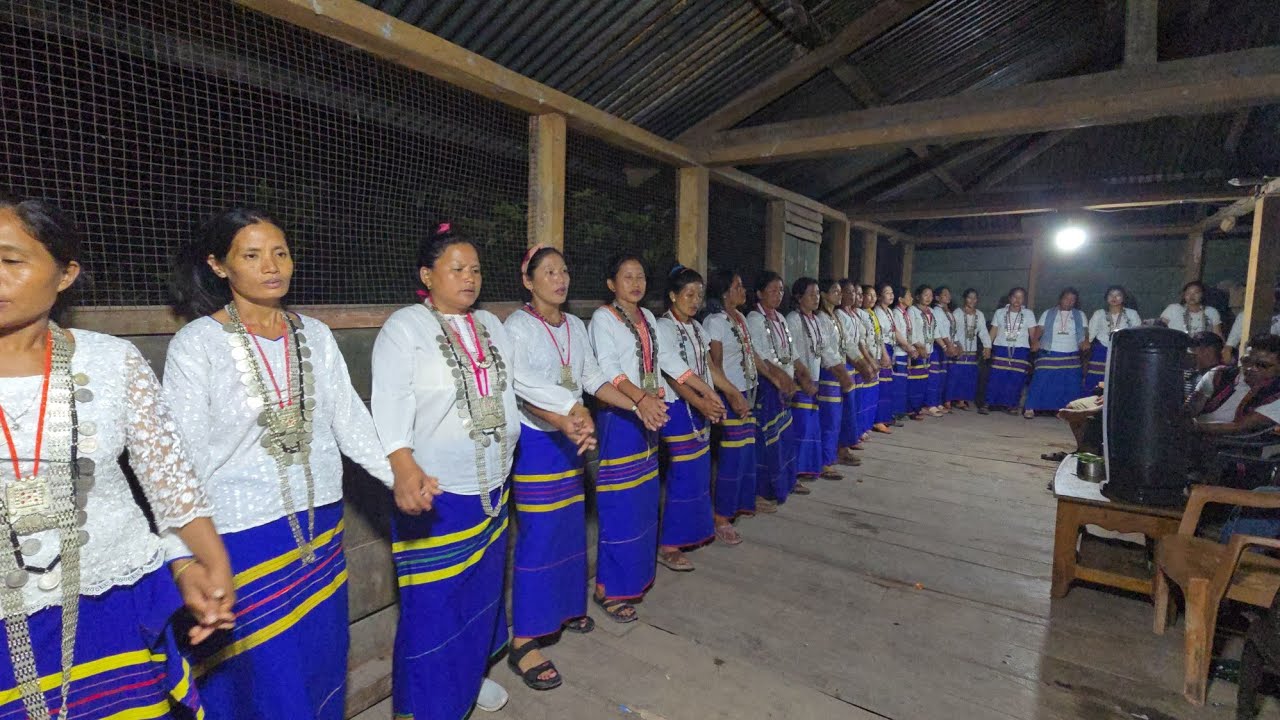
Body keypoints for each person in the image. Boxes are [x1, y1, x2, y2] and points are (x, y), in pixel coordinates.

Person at [0, 194, 233, 720]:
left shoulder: (111, 361)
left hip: (115, 597)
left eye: (11, 261)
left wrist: (207, 565)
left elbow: (170, 482)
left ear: (65, 274)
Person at [167, 207, 395, 719]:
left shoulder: (313, 334)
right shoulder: (197, 345)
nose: (272, 266)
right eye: (252, 255)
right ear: (219, 266)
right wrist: (182, 554)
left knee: (321, 662)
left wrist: (398, 473)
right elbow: (178, 461)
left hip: (320, 528)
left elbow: (348, 418)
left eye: (280, 253)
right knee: (267, 680)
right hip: (242, 536)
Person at [370, 223, 538, 718]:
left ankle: (469, 679)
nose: (470, 278)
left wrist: (567, 409)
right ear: (427, 274)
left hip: (493, 488)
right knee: (432, 609)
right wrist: (402, 466)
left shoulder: (491, 325)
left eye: (476, 269)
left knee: (481, 596)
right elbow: (391, 404)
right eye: (456, 268)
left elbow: (521, 382)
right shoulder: (405, 328)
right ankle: (423, 705)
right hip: (438, 494)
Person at [504, 245, 643, 690]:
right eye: (548, 272)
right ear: (528, 281)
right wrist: (565, 419)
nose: (560, 279)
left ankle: (563, 610)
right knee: (539, 537)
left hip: (572, 436)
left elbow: (591, 378)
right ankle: (524, 640)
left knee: (567, 529)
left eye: (564, 270)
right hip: (539, 442)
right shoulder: (517, 327)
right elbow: (523, 391)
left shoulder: (576, 326)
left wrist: (638, 404)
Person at [586, 253, 670, 620]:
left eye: (640, 276)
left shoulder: (648, 317)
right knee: (620, 503)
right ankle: (609, 587)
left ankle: (638, 576)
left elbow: (656, 364)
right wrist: (640, 400)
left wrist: (659, 397)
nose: (636, 283)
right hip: (620, 415)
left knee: (644, 498)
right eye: (627, 277)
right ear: (611, 284)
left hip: (649, 412)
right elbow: (609, 370)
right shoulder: (603, 319)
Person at [655, 266, 727, 571]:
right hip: (678, 408)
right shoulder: (663, 327)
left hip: (701, 406)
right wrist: (702, 401)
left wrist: (729, 392)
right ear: (672, 295)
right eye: (688, 294)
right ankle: (669, 544)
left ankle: (695, 533)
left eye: (699, 294)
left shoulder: (698, 328)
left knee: (699, 473)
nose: (695, 300)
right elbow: (672, 376)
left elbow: (709, 368)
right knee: (683, 474)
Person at [703, 269, 763, 539]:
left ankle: (741, 503)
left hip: (748, 391)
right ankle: (721, 515)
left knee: (746, 453)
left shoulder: (739, 317)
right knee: (731, 456)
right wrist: (729, 395)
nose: (743, 290)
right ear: (726, 291)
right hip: (731, 395)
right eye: (738, 286)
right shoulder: (715, 322)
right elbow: (714, 365)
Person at [747, 272, 802, 509]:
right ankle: (762, 491)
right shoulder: (755, 319)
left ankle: (786, 481)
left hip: (784, 384)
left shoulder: (780, 317)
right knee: (766, 441)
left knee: (784, 437)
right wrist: (779, 380)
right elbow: (762, 356)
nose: (778, 295)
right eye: (772, 290)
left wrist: (798, 377)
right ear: (759, 294)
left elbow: (790, 352)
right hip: (768, 386)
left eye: (781, 290)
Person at [788, 277, 841, 482]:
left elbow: (824, 349)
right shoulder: (793, 320)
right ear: (799, 297)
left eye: (818, 293)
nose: (816, 298)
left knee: (812, 426)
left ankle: (810, 467)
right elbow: (793, 355)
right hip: (800, 381)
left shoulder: (816, 319)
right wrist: (803, 378)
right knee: (801, 427)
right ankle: (796, 473)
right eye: (812, 294)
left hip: (814, 379)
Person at [1189, 334, 1280, 435]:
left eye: (1263, 365)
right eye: (1247, 361)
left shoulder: (1276, 396)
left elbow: (1239, 427)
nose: (1250, 368)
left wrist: (1191, 426)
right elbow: (1189, 410)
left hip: (1230, 446)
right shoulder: (1218, 374)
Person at [1024, 287, 1088, 418]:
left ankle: (1065, 410)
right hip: (1049, 351)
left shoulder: (1080, 315)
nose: (1069, 302)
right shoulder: (1048, 313)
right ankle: (1030, 408)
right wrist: (1035, 341)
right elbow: (1039, 329)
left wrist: (1085, 342)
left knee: (1071, 382)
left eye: (1072, 300)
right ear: (1060, 299)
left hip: (1071, 353)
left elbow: (1084, 333)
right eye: (1066, 298)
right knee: (1040, 378)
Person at [816, 279, 856, 473]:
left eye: (841, 291)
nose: (839, 295)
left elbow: (846, 343)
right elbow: (826, 350)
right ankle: (825, 460)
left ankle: (836, 452)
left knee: (838, 416)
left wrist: (861, 362)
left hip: (839, 368)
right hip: (829, 371)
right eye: (835, 291)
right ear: (824, 295)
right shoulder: (821, 318)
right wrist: (840, 371)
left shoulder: (835, 317)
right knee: (829, 418)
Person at [836, 280, 874, 462]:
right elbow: (848, 344)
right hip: (845, 365)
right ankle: (840, 447)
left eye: (854, 293)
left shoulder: (853, 314)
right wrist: (863, 363)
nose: (851, 296)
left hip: (855, 364)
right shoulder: (838, 315)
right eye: (847, 292)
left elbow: (859, 341)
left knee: (852, 406)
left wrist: (866, 362)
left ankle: (848, 442)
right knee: (843, 410)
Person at [985, 287, 1039, 414]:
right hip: (1001, 347)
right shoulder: (1000, 312)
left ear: (1023, 299)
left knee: (1016, 378)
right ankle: (988, 403)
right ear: (1010, 298)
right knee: (996, 377)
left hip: (1021, 349)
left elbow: (1033, 332)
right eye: (1015, 296)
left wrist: (1035, 342)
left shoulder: (1028, 314)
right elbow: (993, 331)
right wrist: (987, 347)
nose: (1017, 300)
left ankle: (1012, 405)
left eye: (1021, 297)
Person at [1084, 285, 1142, 391]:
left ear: (1124, 298)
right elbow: (1091, 333)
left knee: (1121, 377)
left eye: (1118, 295)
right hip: (1101, 351)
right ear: (1106, 298)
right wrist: (1087, 343)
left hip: (1123, 350)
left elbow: (1137, 333)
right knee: (1096, 380)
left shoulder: (1132, 313)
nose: (1114, 298)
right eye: (1111, 295)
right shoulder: (1099, 313)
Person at [948, 288, 990, 411]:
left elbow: (983, 332)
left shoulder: (979, 314)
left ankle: (961, 401)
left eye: (974, 298)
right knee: (954, 375)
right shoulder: (957, 312)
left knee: (967, 376)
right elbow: (952, 330)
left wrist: (987, 346)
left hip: (971, 351)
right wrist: (955, 344)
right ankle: (948, 401)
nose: (972, 300)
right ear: (964, 299)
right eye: (969, 297)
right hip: (959, 349)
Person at [890, 286, 925, 421]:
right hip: (898, 353)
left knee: (903, 385)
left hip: (905, 353)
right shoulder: (896, 313)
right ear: (901, 299)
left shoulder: (905, 313)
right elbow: (897, 333)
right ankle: (895, 412)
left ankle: (900, 411)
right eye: (908, 296)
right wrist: (909, 348)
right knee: (897, 385)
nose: (911, 298)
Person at [913, 285, 944, 417]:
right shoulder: (912, 311)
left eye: (931, 295)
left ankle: (926, 405)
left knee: (928, 380)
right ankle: (915, 408)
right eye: (925, 295)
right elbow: (911, 332)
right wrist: (919, 347)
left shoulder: (931, 311)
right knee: (916, 381)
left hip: (929, 351)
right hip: (917, 350)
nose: (928, 298)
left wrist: (944, 346)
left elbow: (936, 332)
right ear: (918, 296)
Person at [873, 283, 901, 429]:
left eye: (891, 292)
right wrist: (884, 354)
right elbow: (880, 336)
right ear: (879, 296)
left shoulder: (889, 312)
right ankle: (878, 420)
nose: (891, 295)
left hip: (891, 348)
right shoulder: (877, 312)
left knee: (888, 385)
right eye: (886, 292)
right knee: (882, 385)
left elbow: (894, 332)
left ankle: (885, 417)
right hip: (883, 348)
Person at [930, 286, 958, 412]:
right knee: (935, 376)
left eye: (949, 294)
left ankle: (939, 401)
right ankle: (932, 403)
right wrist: (948, 345)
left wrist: (957, 344)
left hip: (947, 345)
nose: (948, 296)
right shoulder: (936, 310)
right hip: (939, 345)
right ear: (937, 298)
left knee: (943, 376)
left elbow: (952, 330)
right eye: (944, 294)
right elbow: (941, 331)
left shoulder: (948, 312)